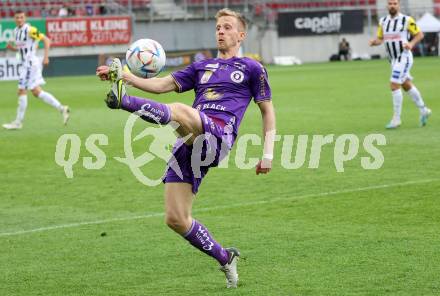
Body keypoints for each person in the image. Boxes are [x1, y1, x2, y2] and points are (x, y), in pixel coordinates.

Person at [96, 8, 276, 288]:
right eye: (218, 27)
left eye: (227, 27)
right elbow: (159, 85)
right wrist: (124, 76)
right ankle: (225, 257)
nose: (221, 31)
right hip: (190, 138)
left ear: (241, 35)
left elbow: (267, 110)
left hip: (219, 134)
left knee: (179, 110)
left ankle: (123, 102)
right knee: (176, 218)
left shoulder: (252, 68)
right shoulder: (200, 67)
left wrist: (267, 154)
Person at [369, 0, 432, 129]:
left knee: (394, 84)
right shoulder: (383, 22)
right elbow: (381, 38)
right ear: (387, 5)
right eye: (390, 3)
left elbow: (419, 34)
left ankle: (396, 119)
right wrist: (374, 42)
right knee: (405, 84)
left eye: (395, 3)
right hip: (393, 59)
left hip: (404, 57)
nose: (392, 5)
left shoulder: (407, 20)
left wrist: (411, 44)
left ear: (399, 5)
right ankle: (424, 109)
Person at [3, 10, 70, 130]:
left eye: (21, 17)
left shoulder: (30, 30)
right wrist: (12, 48)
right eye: (17, 17)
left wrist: (46, 57)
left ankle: (18, 122)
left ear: (25, 18)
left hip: (30, 64)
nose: (19, 19)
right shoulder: (16, 31)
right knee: (36, 91)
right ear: (14, 19)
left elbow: (46, 40)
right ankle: (62, 108)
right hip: (25, 64)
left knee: (21, 90)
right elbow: (23, 48)